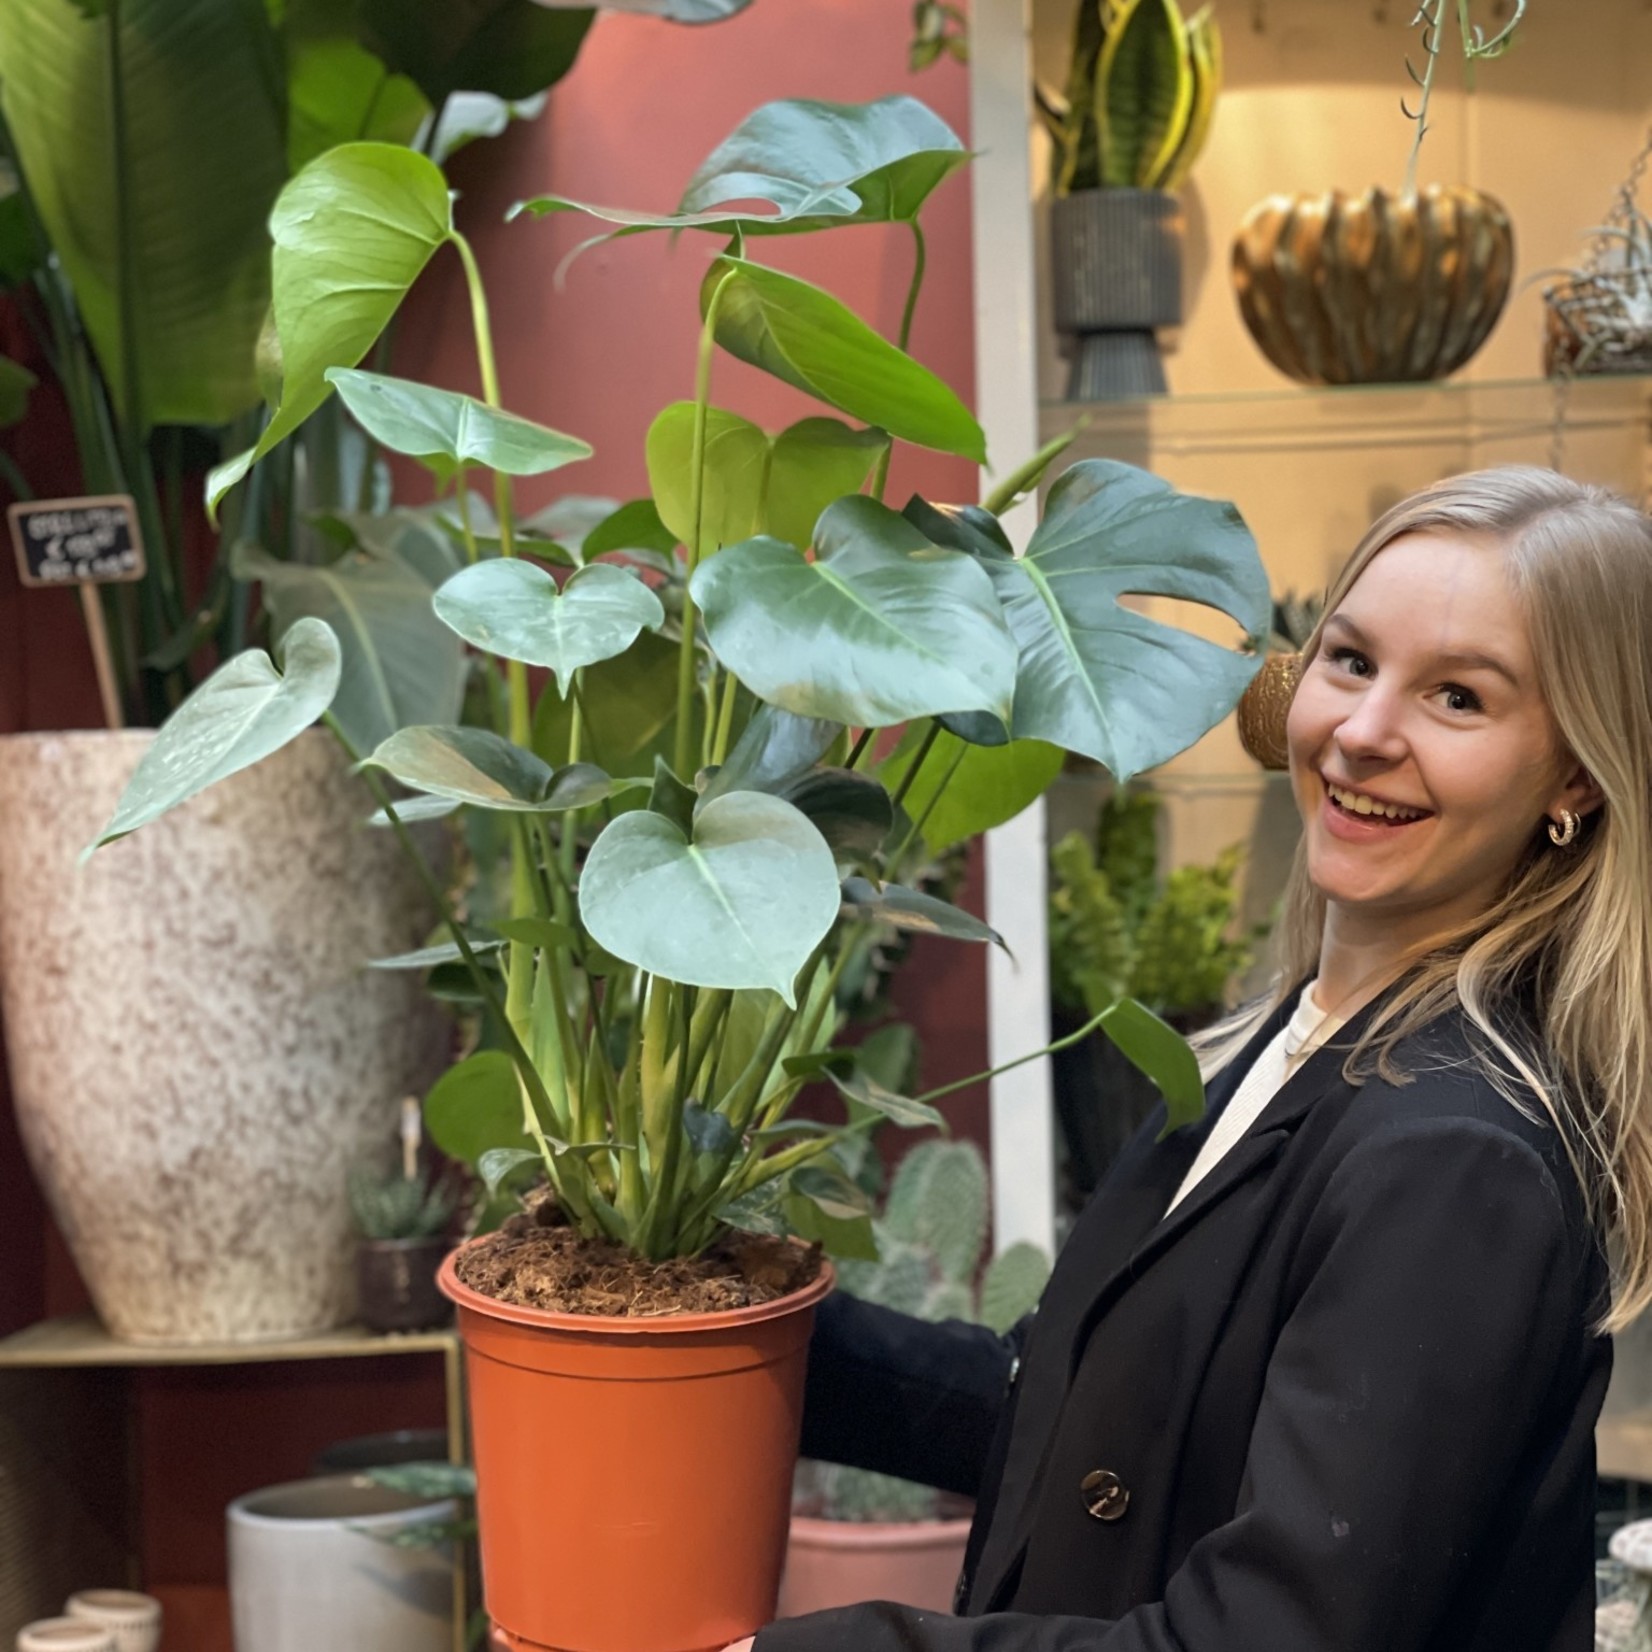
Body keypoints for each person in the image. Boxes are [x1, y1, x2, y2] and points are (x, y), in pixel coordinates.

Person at [734, 466, 1652, 1652]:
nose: (1364, 732)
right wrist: (734, 1321)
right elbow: (1085, 1417)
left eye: (1458, 698)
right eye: (1351, 661)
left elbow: (1267, 1635)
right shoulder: (1299, 1035)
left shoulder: (1455, 1154)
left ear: (1573, 772)